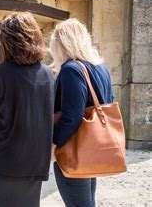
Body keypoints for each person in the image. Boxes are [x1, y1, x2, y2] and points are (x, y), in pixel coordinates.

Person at [0, 12, 54, 207]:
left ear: (7, 42)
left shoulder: (3, 72)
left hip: (4, 160)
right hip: (35, 160)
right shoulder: (47, 73)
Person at [49, 18, 114, 206]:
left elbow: (72, 115)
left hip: (74, 148)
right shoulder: (101, 68)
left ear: (62, 43)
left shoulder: (71, 69)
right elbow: (108, 103)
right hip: (92, 145)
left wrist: (55, 143)